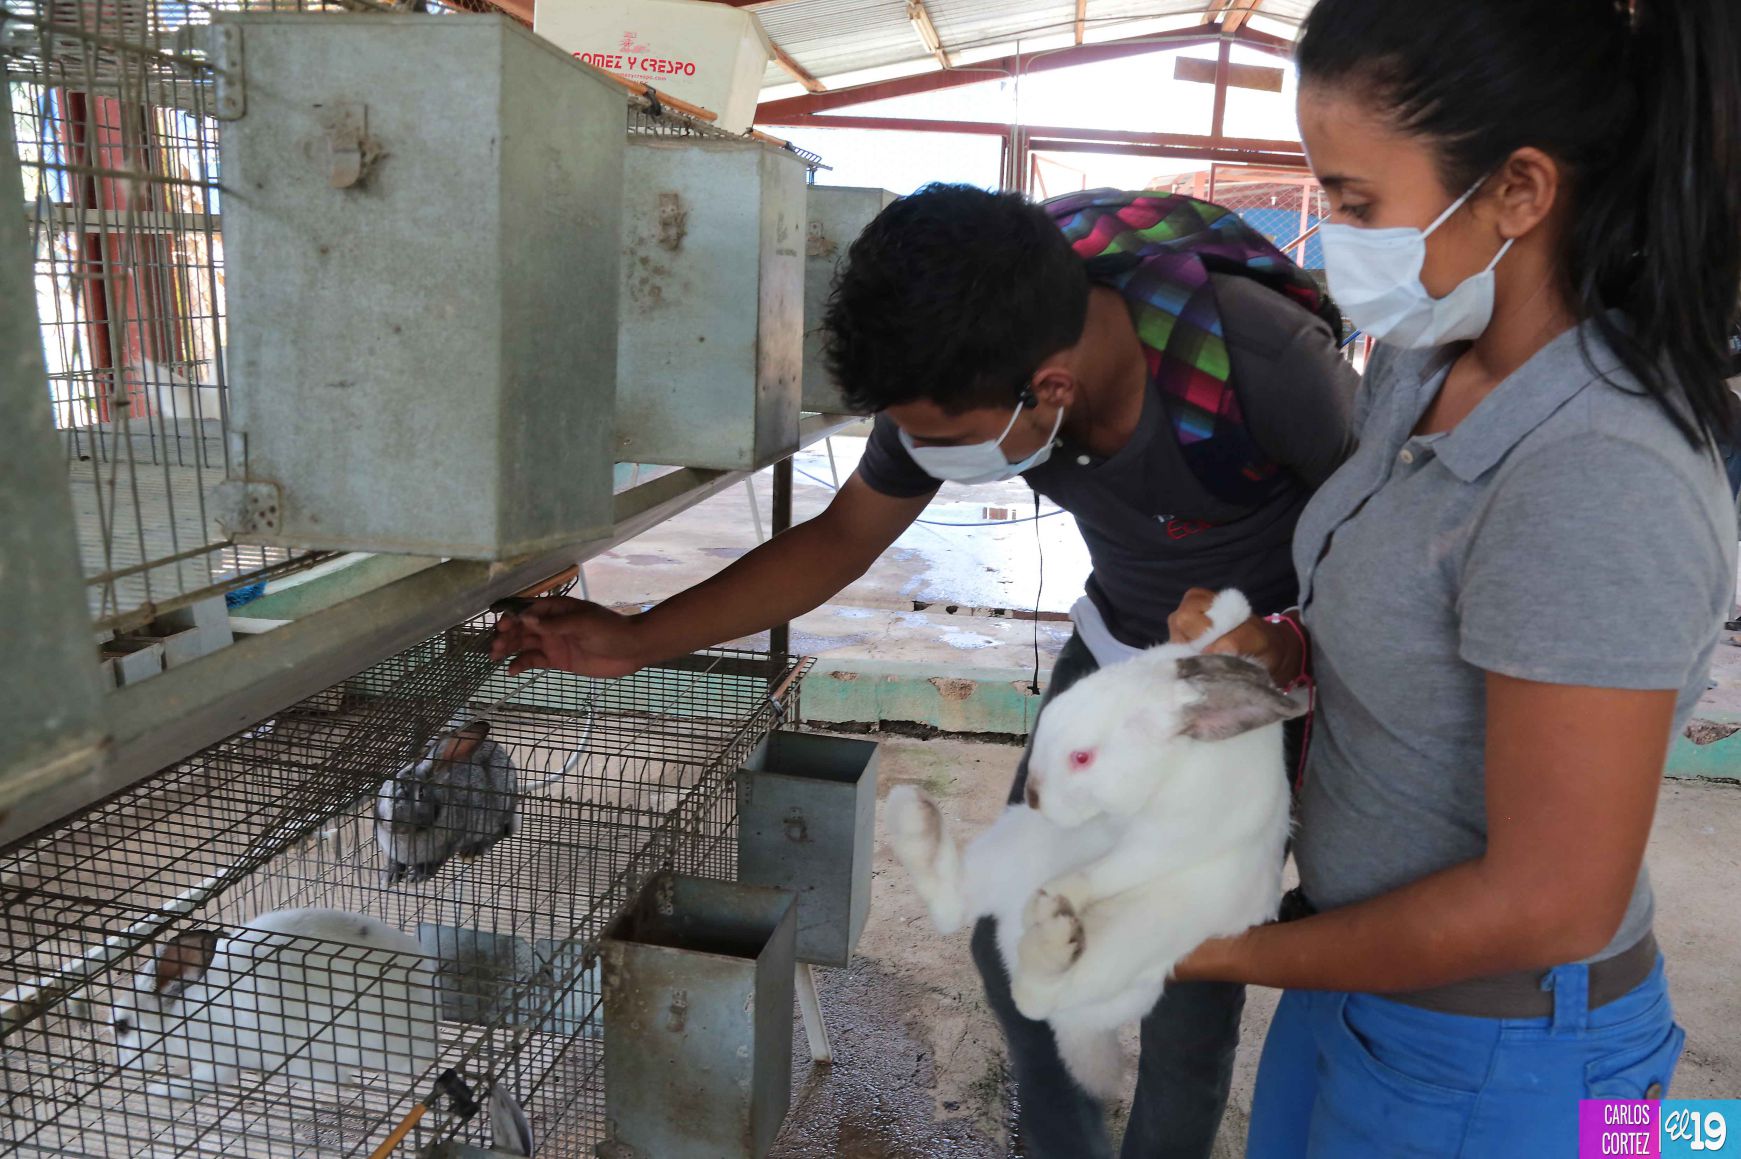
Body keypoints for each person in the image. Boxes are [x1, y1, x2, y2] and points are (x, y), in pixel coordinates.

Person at [493, 182, 1359, 1157]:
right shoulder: (964, 350)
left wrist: (1284, 664)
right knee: (1009, 933)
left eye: (945, 443)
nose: (927, 464)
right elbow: (841, 539)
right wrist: (637, 636)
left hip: (1258, 673)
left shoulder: (1253, 359)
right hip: (1119, 640)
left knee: (1179, 970)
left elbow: (1384, 553)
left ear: (1052, 386)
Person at [1157, 1, 1741, 1155]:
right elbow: (1420, 601)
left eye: (1356, 202)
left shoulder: (1599, 471)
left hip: (1518, 1057)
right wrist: (1279, 641)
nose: (1331, 237)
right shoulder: (1421, 357)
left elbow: (1552, 900)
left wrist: (1201, 949)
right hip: (1361, 982)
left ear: (1519, 192)